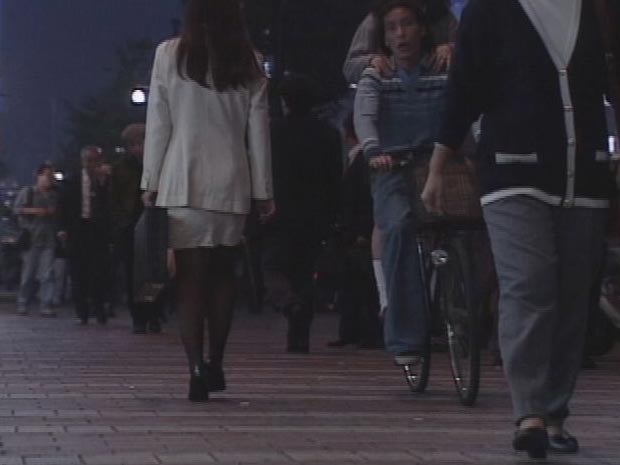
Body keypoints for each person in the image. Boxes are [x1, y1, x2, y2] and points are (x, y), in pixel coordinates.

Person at [422, 0, 617, 458]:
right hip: (512, 171)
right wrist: (437, 166)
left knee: (573, 296)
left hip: (584, 176)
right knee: (528, 285)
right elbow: (464, 88)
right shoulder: (490, 10)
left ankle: (554, 413)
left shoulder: (598, 10)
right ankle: (529, 412)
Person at [141, 0, 274, 402]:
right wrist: (263, 190)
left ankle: (195, 367)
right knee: (223, 276)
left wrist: (151, 180)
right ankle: (216, 360)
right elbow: (258, 132)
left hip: (182, 179)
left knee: (190, 280)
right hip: (231, 182)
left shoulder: (169, 54)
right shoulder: (250, 61)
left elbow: (158, 122)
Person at [354, 0, 448, 365]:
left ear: (422, 29)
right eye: (392, 28)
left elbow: (464, 108)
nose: (400, 34)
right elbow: (364, 115)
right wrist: (373, 150)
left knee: (467, 227)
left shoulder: (442, 67)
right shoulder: (377, 73)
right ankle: (405, 336)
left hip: (437, 164)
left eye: (407, 25)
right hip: (392, 165)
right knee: (397, 227)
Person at [263, 74, 342, 353]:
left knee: (271, 266)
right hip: (315, 213)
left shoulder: (273, 133)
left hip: (280, 210)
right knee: (305, 272)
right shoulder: (328, 134)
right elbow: (335, 177)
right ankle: (300, 337)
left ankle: (287, 302)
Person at [110, 123, 162, 334]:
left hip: (153, 221)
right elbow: (114, 199)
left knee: (154, 271)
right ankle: (139, 316)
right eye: (133, 144)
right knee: (134, 273)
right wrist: (121, 221)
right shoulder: (121, 168)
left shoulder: (156, 164)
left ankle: (154, 313)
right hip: (130, 225)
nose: (137, 148)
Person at [343, 0, 458, 84]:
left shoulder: (442, 15)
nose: (400, 33)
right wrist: (370, 61)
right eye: (392, 28)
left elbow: (466, 53)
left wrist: (452, 48)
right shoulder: (377, 18)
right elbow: (349, 68)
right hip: (388, 93)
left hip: (435, 92)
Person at [58, 146, 111, 326]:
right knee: (78, 272)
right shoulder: (72, 181)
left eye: (95, 161)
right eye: (89, 160)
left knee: (99, 272)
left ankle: (100, 308)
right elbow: (63, 205)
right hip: (78, 229)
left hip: (98, 230)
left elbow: (110, 205)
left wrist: (103, 182)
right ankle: (82, 311)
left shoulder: (104, 181)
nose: (92, 165)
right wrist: (63, 228)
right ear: (83, 161)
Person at [13, 163, 59, 317]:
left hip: (49, 238)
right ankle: (23, 302)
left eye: (51, 176)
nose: (49, 179)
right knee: (28, 273)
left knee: (48, 274)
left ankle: (46, 304)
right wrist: (34, 211)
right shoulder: (29, 192)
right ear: (39, 176)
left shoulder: (54, 195)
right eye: (47, 175)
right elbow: (17, 209)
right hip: (32, 238)